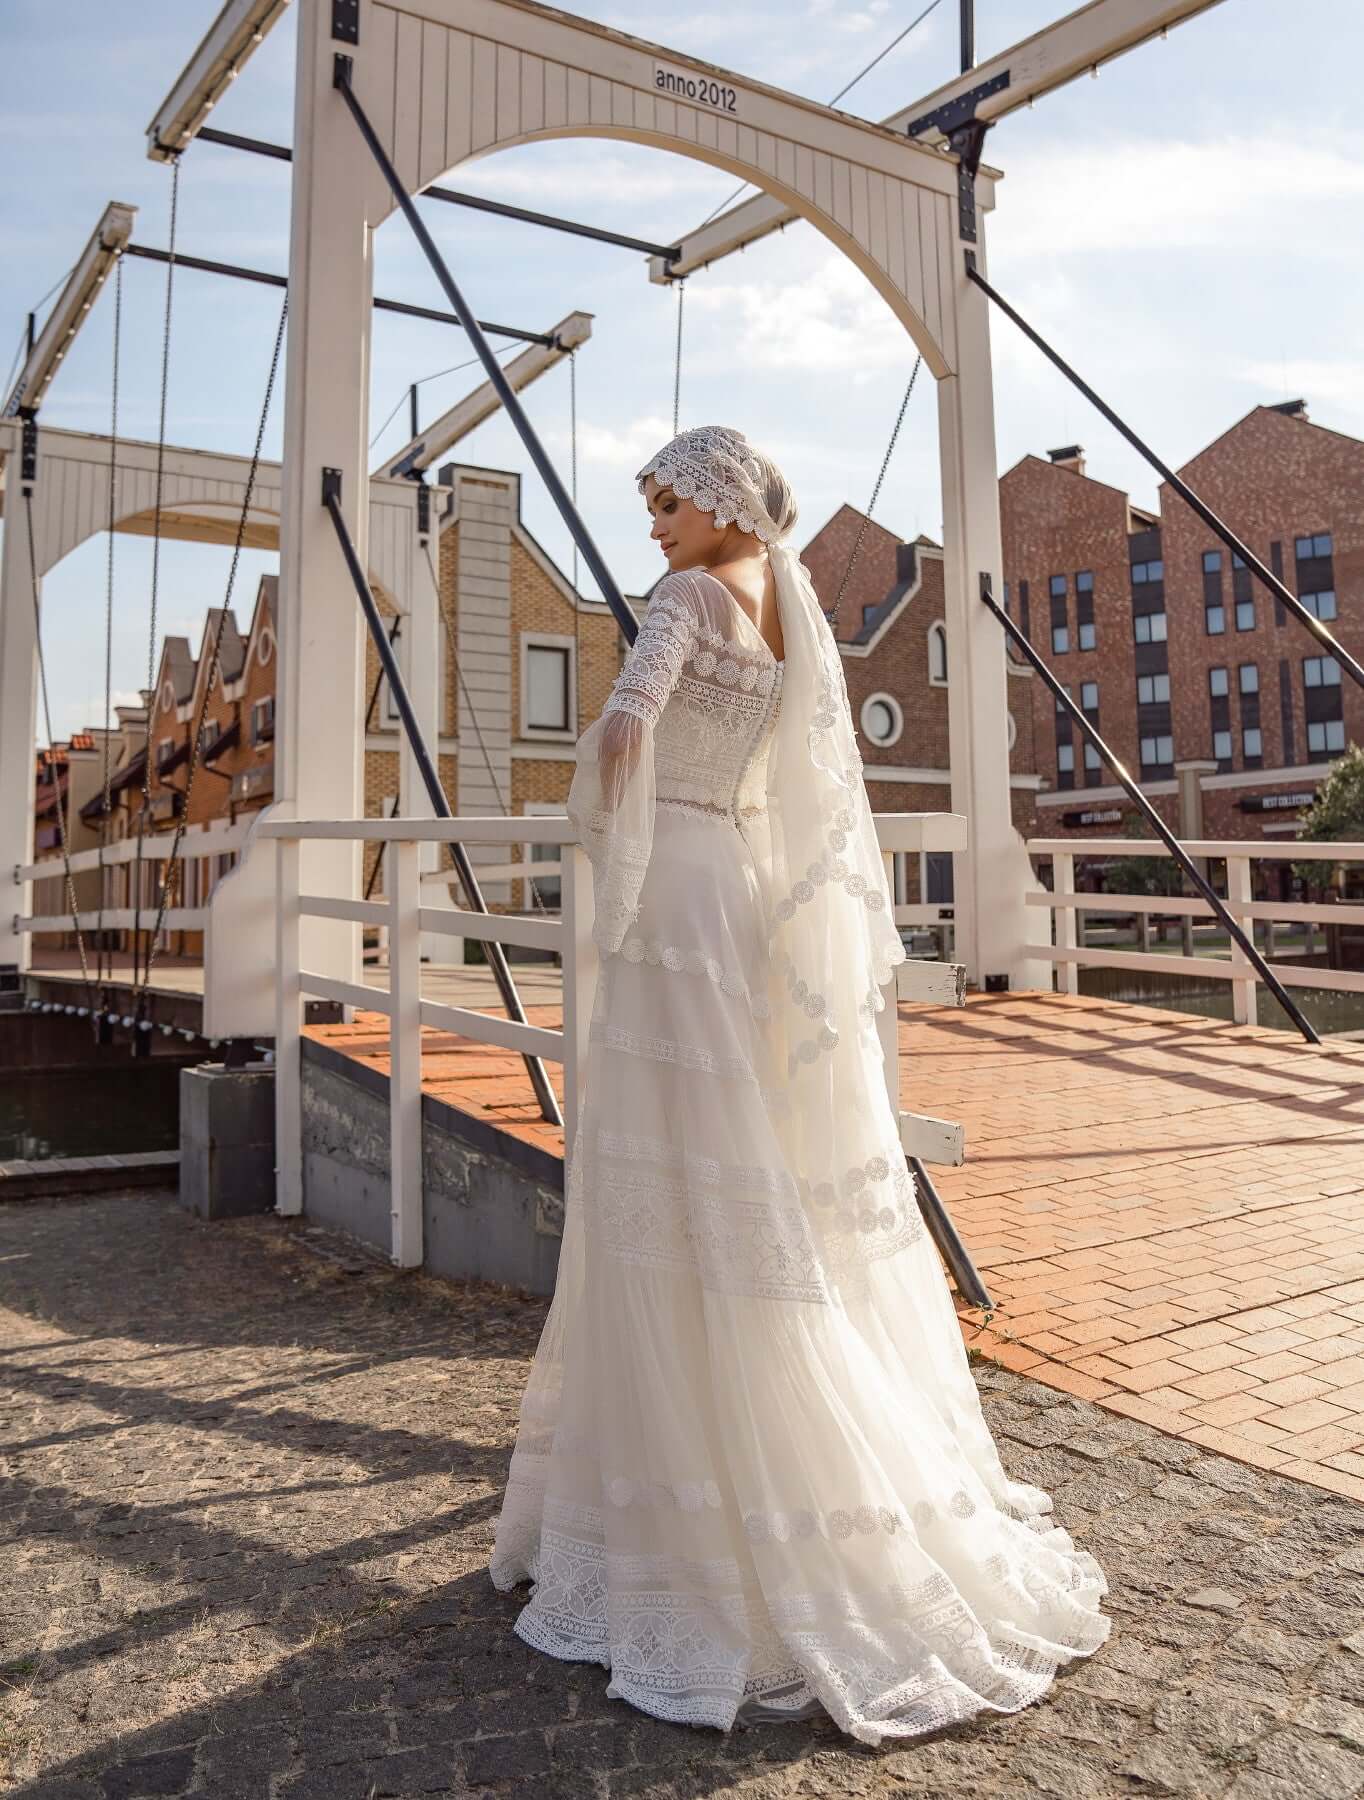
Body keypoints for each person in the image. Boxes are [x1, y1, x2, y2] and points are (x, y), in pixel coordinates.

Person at [489, 426, 1110, 1745]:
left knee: (667, 1173)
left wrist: (599, 827)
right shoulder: (784, 604)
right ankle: (776, 1458)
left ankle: (690, 1510)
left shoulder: (685, 595)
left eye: (666, 501)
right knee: (738, 1164)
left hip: (676, 893)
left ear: (715, 501)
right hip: (746, 902)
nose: (652, 525)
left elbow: (625, 732)